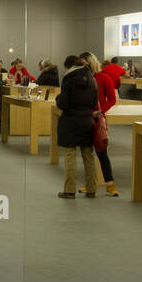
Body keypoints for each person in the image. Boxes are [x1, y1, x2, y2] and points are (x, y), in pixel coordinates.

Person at [55, 55, 100, 199]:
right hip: (87, 120)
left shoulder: (69, 78)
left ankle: (69, 190)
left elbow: (64, 103)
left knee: (70, 155)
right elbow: (94, 102)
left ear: (69, 66)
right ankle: (92, 189)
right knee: (88, 155)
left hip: (71, 120)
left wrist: (58, 99)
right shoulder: (91, 77)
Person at [77, 51, 120, 197]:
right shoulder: (81, 78)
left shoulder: (103, 78)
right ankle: (90, 182)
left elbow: (112, 98)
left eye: (84, 63)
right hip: (85, 118)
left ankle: (110, 184)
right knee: (87, 153)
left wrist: (101, 111)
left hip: (98, 119)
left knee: (102, 152)